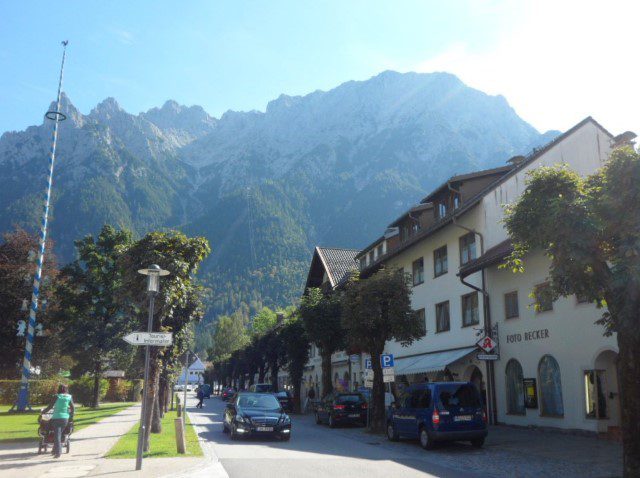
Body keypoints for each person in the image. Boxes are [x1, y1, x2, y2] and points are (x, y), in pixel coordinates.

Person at [42, 384, 74, 458]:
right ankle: (54, 450)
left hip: (56, 418)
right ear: (66, 389)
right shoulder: (69, 397)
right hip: (65, 418)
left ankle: (58, 452)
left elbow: (50, 407)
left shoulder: (56, 396)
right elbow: (73, 408)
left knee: (57, 435)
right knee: (59, 434)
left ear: (59, 389)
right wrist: (71, 417)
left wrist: (43, 412)